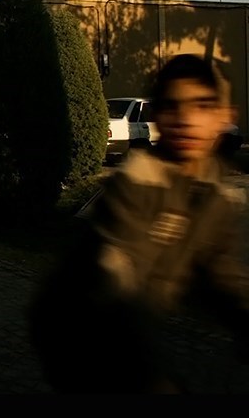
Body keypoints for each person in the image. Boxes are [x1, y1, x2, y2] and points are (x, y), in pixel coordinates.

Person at [28, 53, 249, 393]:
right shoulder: (135, 184)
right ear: (157, 115)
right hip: (77, 331)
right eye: (172, 107)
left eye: (202, 106)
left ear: (225, 117)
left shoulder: (217, 194)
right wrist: (151, 378)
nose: (186, 120)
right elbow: (121, 285)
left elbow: (221, 268)